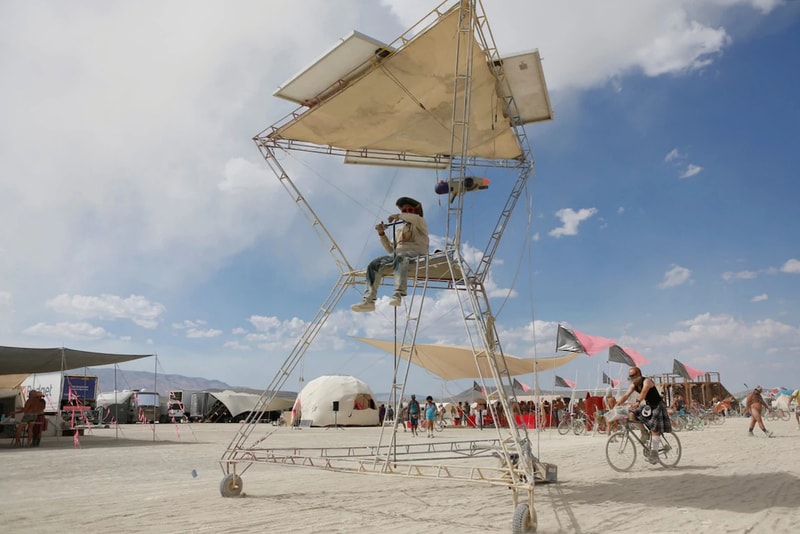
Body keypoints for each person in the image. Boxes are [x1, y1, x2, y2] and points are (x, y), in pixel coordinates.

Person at [351, 197, 429, 311]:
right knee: (374, 264)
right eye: (404, 211)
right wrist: (381, 233)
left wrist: (397, 216)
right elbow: (390, 249)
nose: (406, 213)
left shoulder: (419, 222)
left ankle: (398, 294)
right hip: (399, 258)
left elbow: (413, 218)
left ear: (416, 211)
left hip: (416, 255)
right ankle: (369, 300)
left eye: (410, 210)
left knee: (401, 257)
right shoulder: (399, 231)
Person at [618, 366, 672, 464]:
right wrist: (617, 405)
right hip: (648, 406)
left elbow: (643, 393)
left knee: (654, 429)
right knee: (632, 414)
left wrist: (638, 402)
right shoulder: (634, 385)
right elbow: (626, 395)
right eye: (630, 377)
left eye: (633, 376)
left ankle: (655, 454)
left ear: (639, 374)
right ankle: (644, 432)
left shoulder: (647, 381)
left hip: (657, 406)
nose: (631, 378)